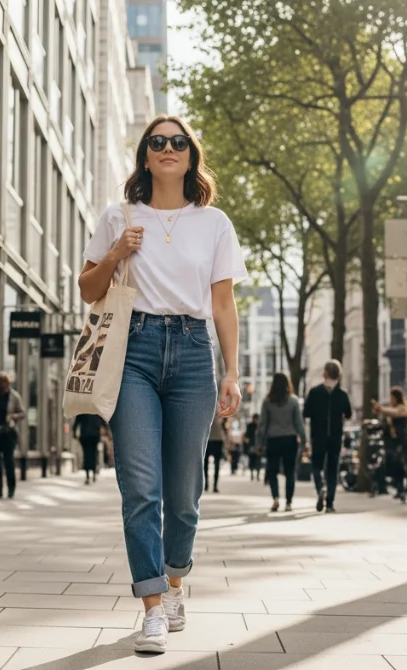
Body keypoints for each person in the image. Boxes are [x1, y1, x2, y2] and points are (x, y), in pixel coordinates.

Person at [77, 114, 246, 654]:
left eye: (179, 142)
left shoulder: (214, 222)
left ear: (191, 155)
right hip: (133, 351)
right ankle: (152, 604)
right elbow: (86, 289)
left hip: (195, 353)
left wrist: (233, 371)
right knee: (141, 485)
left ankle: (175, 583)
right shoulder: (117, 216)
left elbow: (223, 304)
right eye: (158, 142)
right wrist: (115, 253)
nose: (168, 148)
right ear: (145, 156)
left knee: (185, 492)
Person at [304, 360, 353, 513]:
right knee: (333, 469)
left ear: (324, 373)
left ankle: (320, 489)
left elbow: (306, 413)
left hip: (318, 435)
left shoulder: (314, 392)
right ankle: (330, 503)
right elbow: (349, 413)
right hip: (335, 437)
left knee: (317, 466)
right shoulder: (342, 394)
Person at [258, 373, 306, 513]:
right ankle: (289, 502)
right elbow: (299, 423)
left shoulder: (267, 402)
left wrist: (259, 443)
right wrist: (304, 441)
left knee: (272, 471)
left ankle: (275, 499)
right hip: (290, 439)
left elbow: (262, 425)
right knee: (290, 471)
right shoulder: (293, 401)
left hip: (273, 440)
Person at [372, 387, 407, 501]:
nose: (391, 400)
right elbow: (386, 422)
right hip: (392, 442)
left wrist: (381, 409)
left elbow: (395, 413)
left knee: (399, 465)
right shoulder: (392, 410)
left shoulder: (403, 408)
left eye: (392, 398)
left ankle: (404, 488)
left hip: (400, 442)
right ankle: (400, 489)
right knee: (394, 465)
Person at [74, 414, 105, 484]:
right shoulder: (95, 406)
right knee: (93, 454)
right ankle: (93, 473)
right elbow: (102, 418)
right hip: (95, 434)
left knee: (86, 454)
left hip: (85, 434)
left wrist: (74, 431)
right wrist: (104, 427)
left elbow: (77, 420)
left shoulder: (83, 407)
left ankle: (87, 475)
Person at [205, 416, 228, 493]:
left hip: (212, 439)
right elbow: (225, 428)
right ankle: (210, 485)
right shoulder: (221, 408)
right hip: (213, 439)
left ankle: (209, 485)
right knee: (212, 464)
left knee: (207, 464)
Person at [244, 413, 262, 482]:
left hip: (258, 445)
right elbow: (247, 435)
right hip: (252, 445)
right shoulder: (250, 426)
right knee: (252, 460)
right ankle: (252, 474)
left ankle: (257, 475)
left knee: (258, 460)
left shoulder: (260, 426)